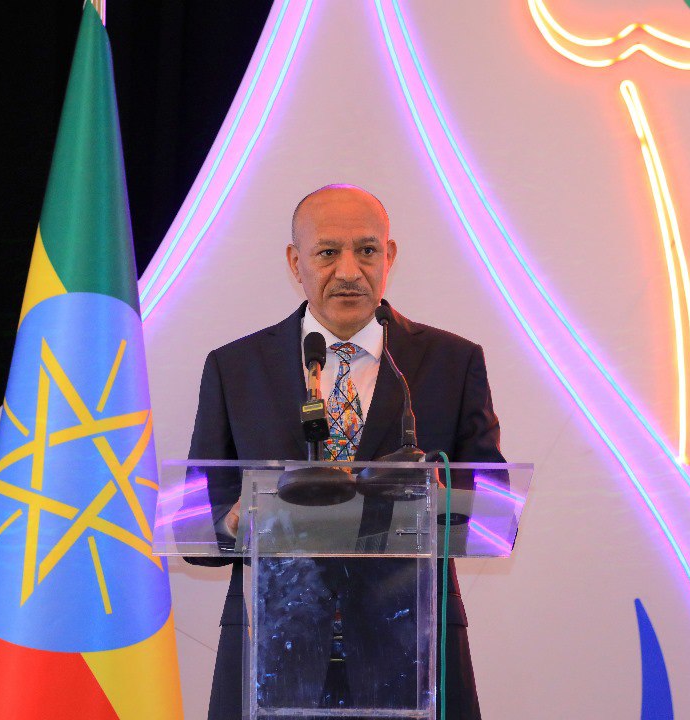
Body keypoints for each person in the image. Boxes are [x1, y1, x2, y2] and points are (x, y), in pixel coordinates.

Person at [188, 184, 504, 719]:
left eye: (367, 250)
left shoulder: (451, 361)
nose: (350, 270)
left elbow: (494, 509)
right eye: (328, 252)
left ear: (389, 256)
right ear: (296, 263)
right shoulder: (236, 367)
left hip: (413, 650)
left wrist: (443, 499)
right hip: (272, 649)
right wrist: (233, 521)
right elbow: (198, 521)